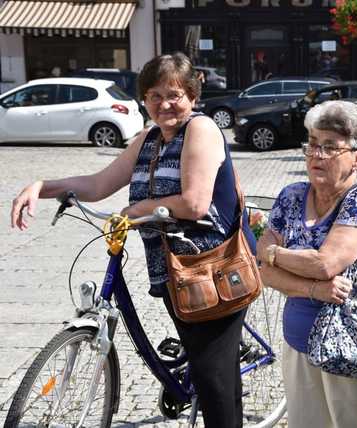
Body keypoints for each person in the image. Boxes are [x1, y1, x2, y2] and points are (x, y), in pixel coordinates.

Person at [10, 52, 252, 427]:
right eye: (154, 96)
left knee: (213, 381)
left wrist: (136, 210)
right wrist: (42, 186)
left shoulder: (201, 130)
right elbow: (98, 184)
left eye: (174, 94)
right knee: (206, 363)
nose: (165, 104)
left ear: (191, 95)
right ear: (144, 100)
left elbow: (194, 202)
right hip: (176, 271)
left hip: (213, 269)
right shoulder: (149, 140)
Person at [256, 100, 357, 428]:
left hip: (354, 347)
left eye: (330, 147)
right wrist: (313, 289)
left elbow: (325, 264)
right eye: (313, 144)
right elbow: (264, 271)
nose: (316, 155)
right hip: (297, 340)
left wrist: (275, 255)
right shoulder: (291, 195)